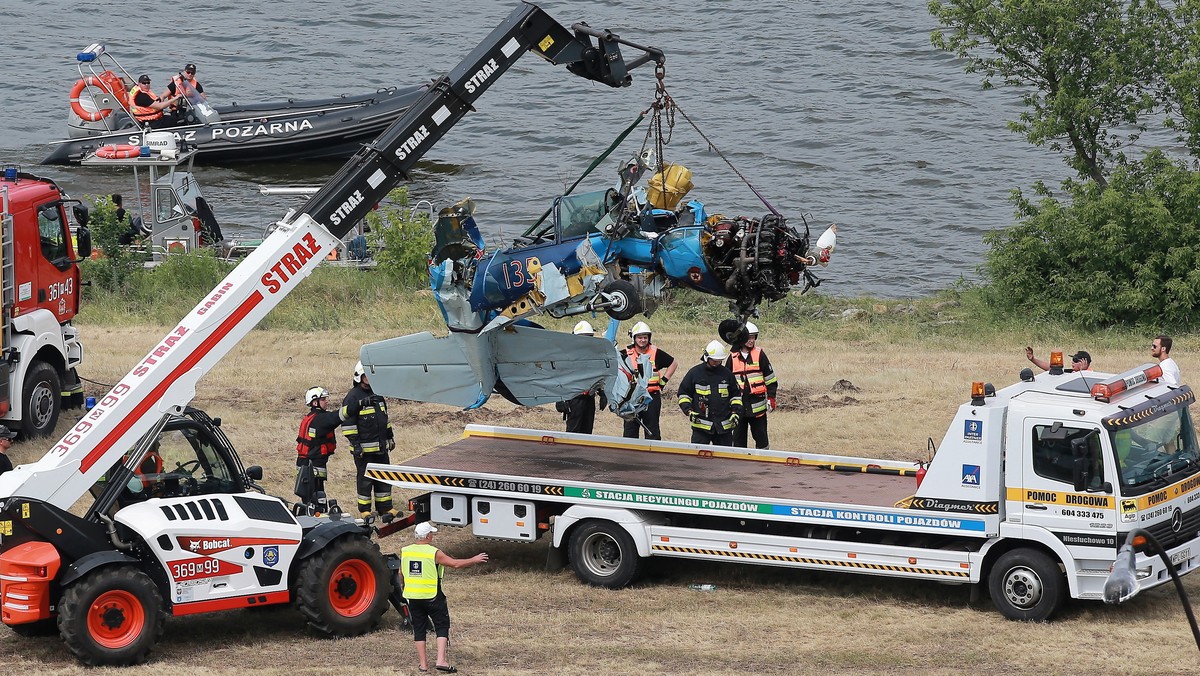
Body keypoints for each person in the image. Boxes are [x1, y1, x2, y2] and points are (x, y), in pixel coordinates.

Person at [402, 522, 488, 674]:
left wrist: (405, 587)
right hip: (433, 596)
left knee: (419, 629)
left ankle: (423, 665)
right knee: (441, 625)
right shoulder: (433, 552)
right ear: (428, 536)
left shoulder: (406, 551)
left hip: (413, 597)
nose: (432, 536)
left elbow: (401, 574)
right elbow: (455, 564)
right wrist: (474, 560)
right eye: (432, 534)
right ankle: (441, 660)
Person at [341, 360, 399, 521]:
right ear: (359, 377)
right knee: (365, 480)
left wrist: (389, 436)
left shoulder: (378, 395)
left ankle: (385, 509)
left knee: (383, 477)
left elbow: (384, 419)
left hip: (381, 448)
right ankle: (365, 510)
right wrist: (356, 444)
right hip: (364, 451)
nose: (369, 379)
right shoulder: (352, 398)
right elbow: (348, 425)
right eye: (366, 376)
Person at [678, 340, 744, 446]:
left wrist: (735, 412)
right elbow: (683, 394)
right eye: (714, 360)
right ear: (707, 357)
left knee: (724, 459)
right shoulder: (694, 373)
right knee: (698, 458)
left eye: (719, 361)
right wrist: (688, 411)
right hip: (701, 427)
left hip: (723, 428)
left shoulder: (727, 374)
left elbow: (735, 396)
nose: (717, 363)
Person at [619, 321, 676, 440]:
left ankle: (653, 456)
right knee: (630, 430)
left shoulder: (656, 352)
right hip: (632, 398)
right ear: (634, 338)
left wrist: (663, 381)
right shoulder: (625, 354)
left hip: (651, 397)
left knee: (652, 429)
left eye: (645, 337)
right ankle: (628, 456)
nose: (643, 340)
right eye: (640, 337)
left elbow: (673, 363)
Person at [725, 322, 778, 449]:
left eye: (753, 337)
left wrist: (771, 397)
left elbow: (770, 378)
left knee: (761, 438)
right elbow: (726, 381)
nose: (751, 340)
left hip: (757, 407)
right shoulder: (732, 357)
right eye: (749, 337)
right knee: (738, 440)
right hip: (739, 408)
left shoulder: (760, 354)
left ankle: (764, 461)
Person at [555, 320, 608, 434]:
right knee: (573, 432)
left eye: (589, 337)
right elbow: (559, 377)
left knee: (587, 433)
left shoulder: (594, 355)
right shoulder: (567, 355)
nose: (586, 340)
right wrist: (559, 399)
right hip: (574, 399)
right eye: (584, 337)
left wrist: (602, 393)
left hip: (589, 399)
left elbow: (598, 376)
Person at [295, 386, 340, 511]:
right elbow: (337, 417)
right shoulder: (320, 419)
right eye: (323, 399)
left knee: (310, 499)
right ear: (315, 402)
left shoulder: (312, 418)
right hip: (312, 465)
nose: (327, 401)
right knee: (315, 500)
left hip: (306, 464)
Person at [1025, 346, 1092, 372]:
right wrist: (1033, 359)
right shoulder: (1071, 372)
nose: (1072, 362)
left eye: (1075, 360)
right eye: (1072, 360)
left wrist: (1083, 371)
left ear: (1084, 362)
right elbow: (1050, 368)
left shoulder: (1090, 376)